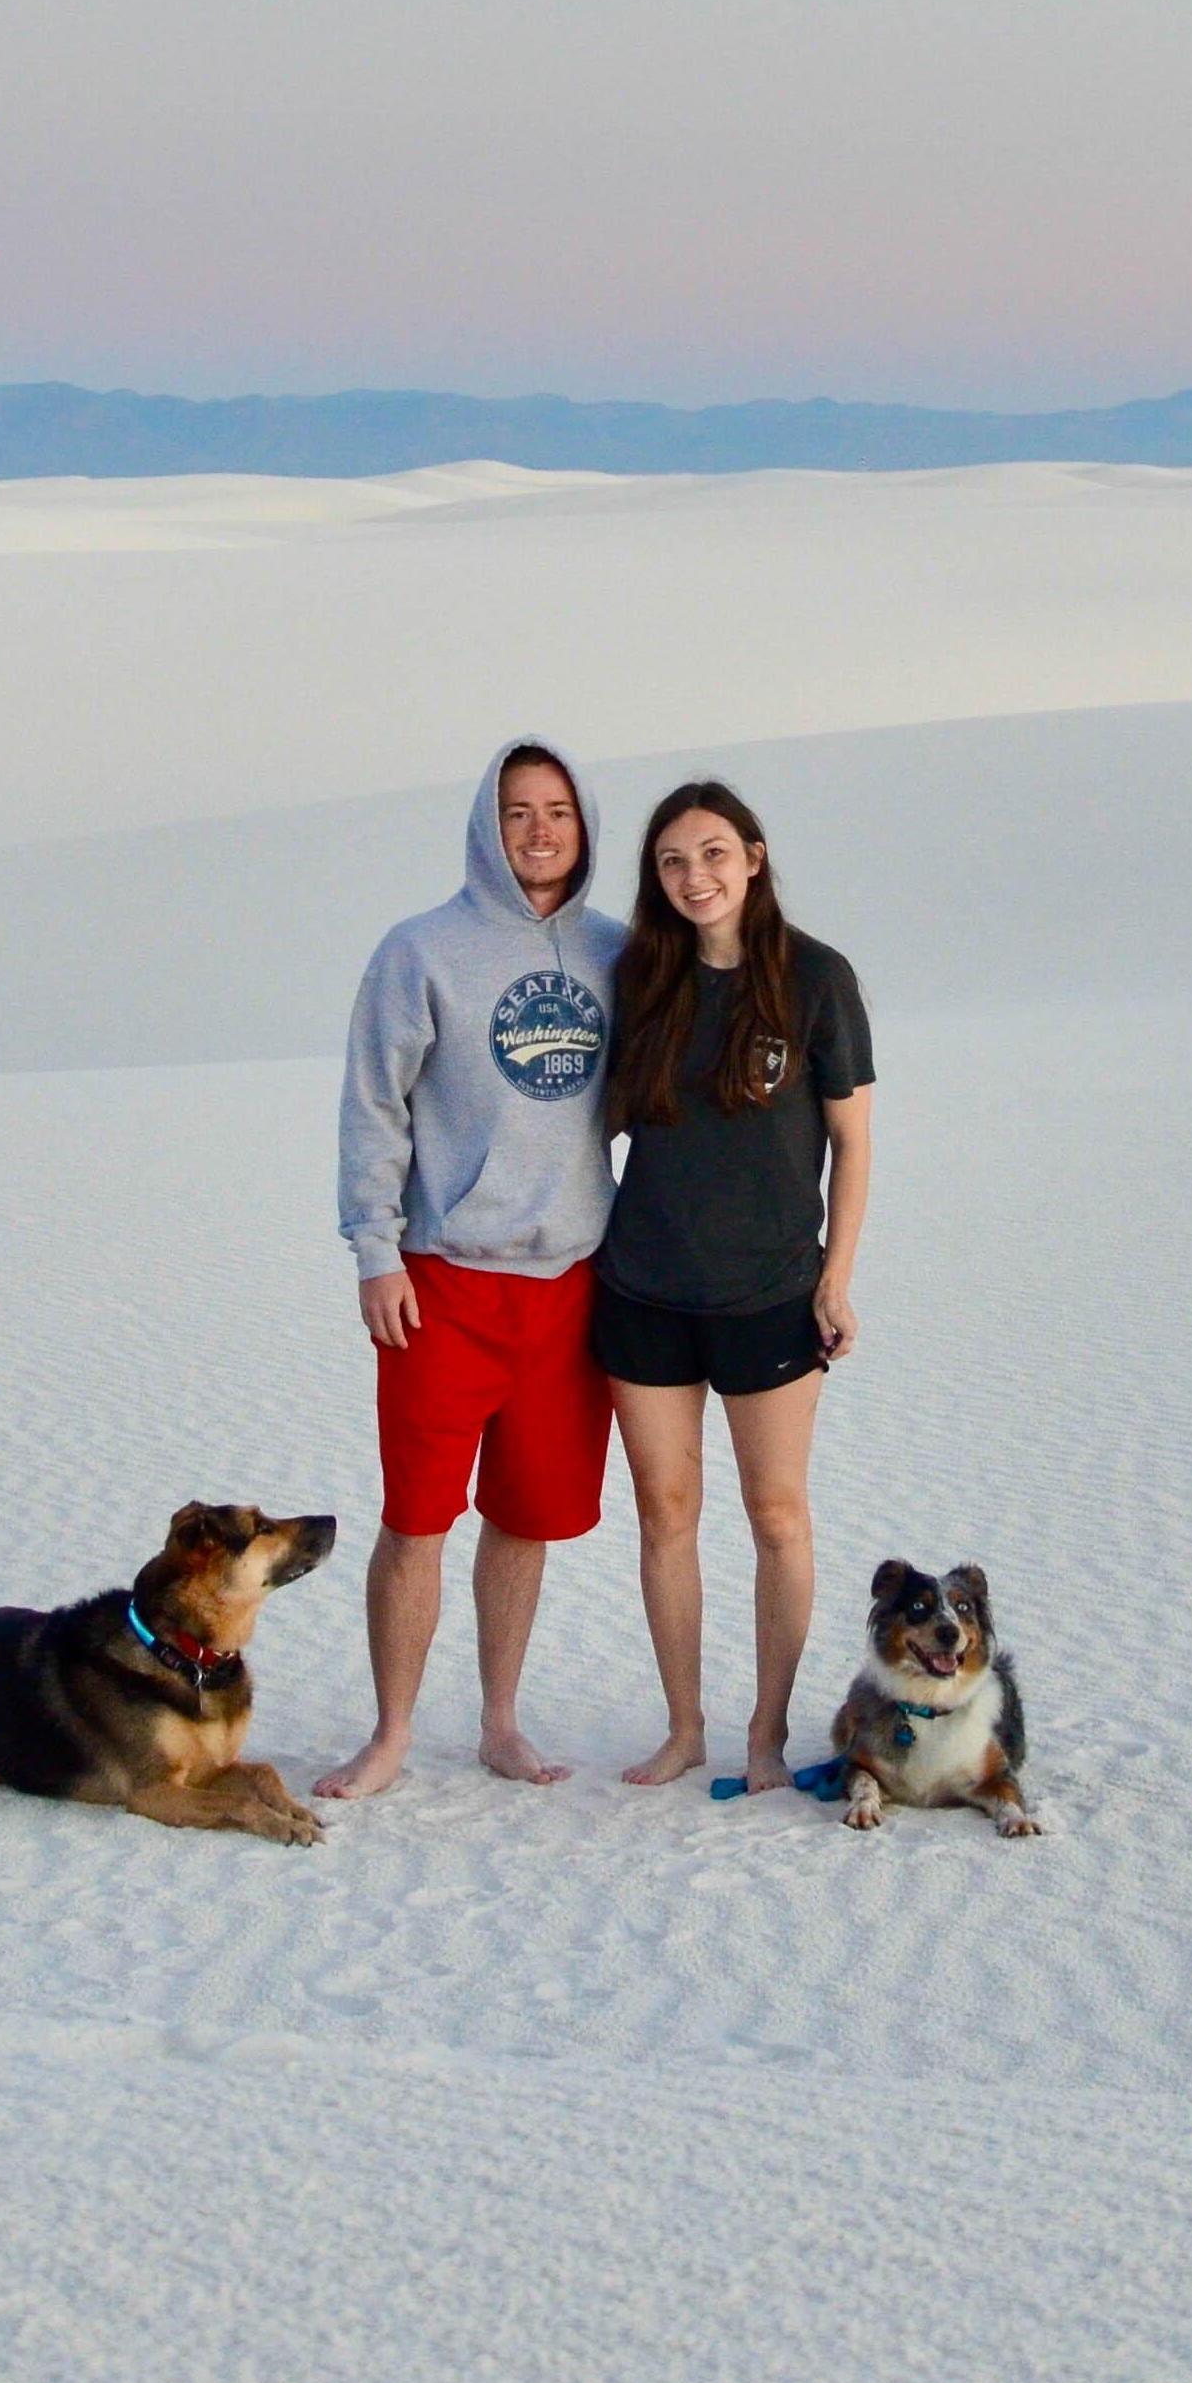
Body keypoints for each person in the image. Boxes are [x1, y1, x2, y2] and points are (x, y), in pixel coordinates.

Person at [321, 741, 624, 1798]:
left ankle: (499, 1721)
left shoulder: (617, 954)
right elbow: (375, 1104)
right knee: (416, 1520)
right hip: (439, 1279)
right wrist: (373, 1248)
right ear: (486, 828)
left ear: (585, 824)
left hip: (572, 1287)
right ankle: (393, 1732)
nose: (538, 833)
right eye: (516, 813)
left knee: (526, 1517)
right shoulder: (421, 951)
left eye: (557, 812)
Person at [597, 779, 874, 1795]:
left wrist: (836, 1281)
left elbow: (852, 1141)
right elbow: (588, 1125)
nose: (695, 877)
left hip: (769, 1293)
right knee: (665, 1515)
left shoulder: (815, 978)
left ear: (753, 857)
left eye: (713, 853)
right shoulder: (640, 980)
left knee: (778, 1516)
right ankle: (685, 1729)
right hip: (641, 1291)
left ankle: (766, 1733)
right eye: (673, 862)